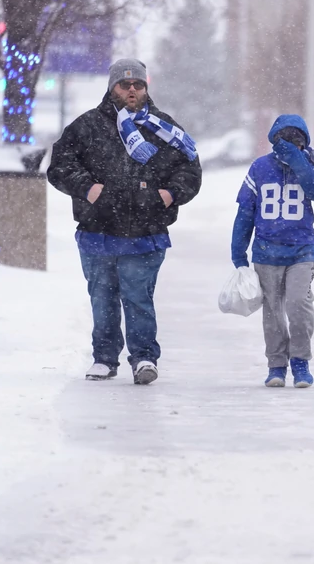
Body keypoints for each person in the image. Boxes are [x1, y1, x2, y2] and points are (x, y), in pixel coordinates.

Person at [47, 58, 202, 385]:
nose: (132, 90)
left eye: (138, 84)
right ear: (112, 87)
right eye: (125, 84)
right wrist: (89, 189)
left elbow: (190, 169)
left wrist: (169, 195)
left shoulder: (165, 129)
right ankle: (104, 358)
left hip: (146, 233)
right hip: (97, 232)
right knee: (102, 299)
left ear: (146, 87)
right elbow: (60, 166)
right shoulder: (87, 126)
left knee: (137, 297)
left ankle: (144, 357)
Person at [231, 115, 314, 388]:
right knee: (272, 312)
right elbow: (246, 210)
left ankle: (300, 362)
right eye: (285, 138)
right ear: (274, 139)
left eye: (296, 139)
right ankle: (276, 364)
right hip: (266, 251)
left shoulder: (311, 165)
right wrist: (238, 251)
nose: (290, 143)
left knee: (298, 305)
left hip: (302, 251)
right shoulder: (260, 167)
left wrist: (299, 162)